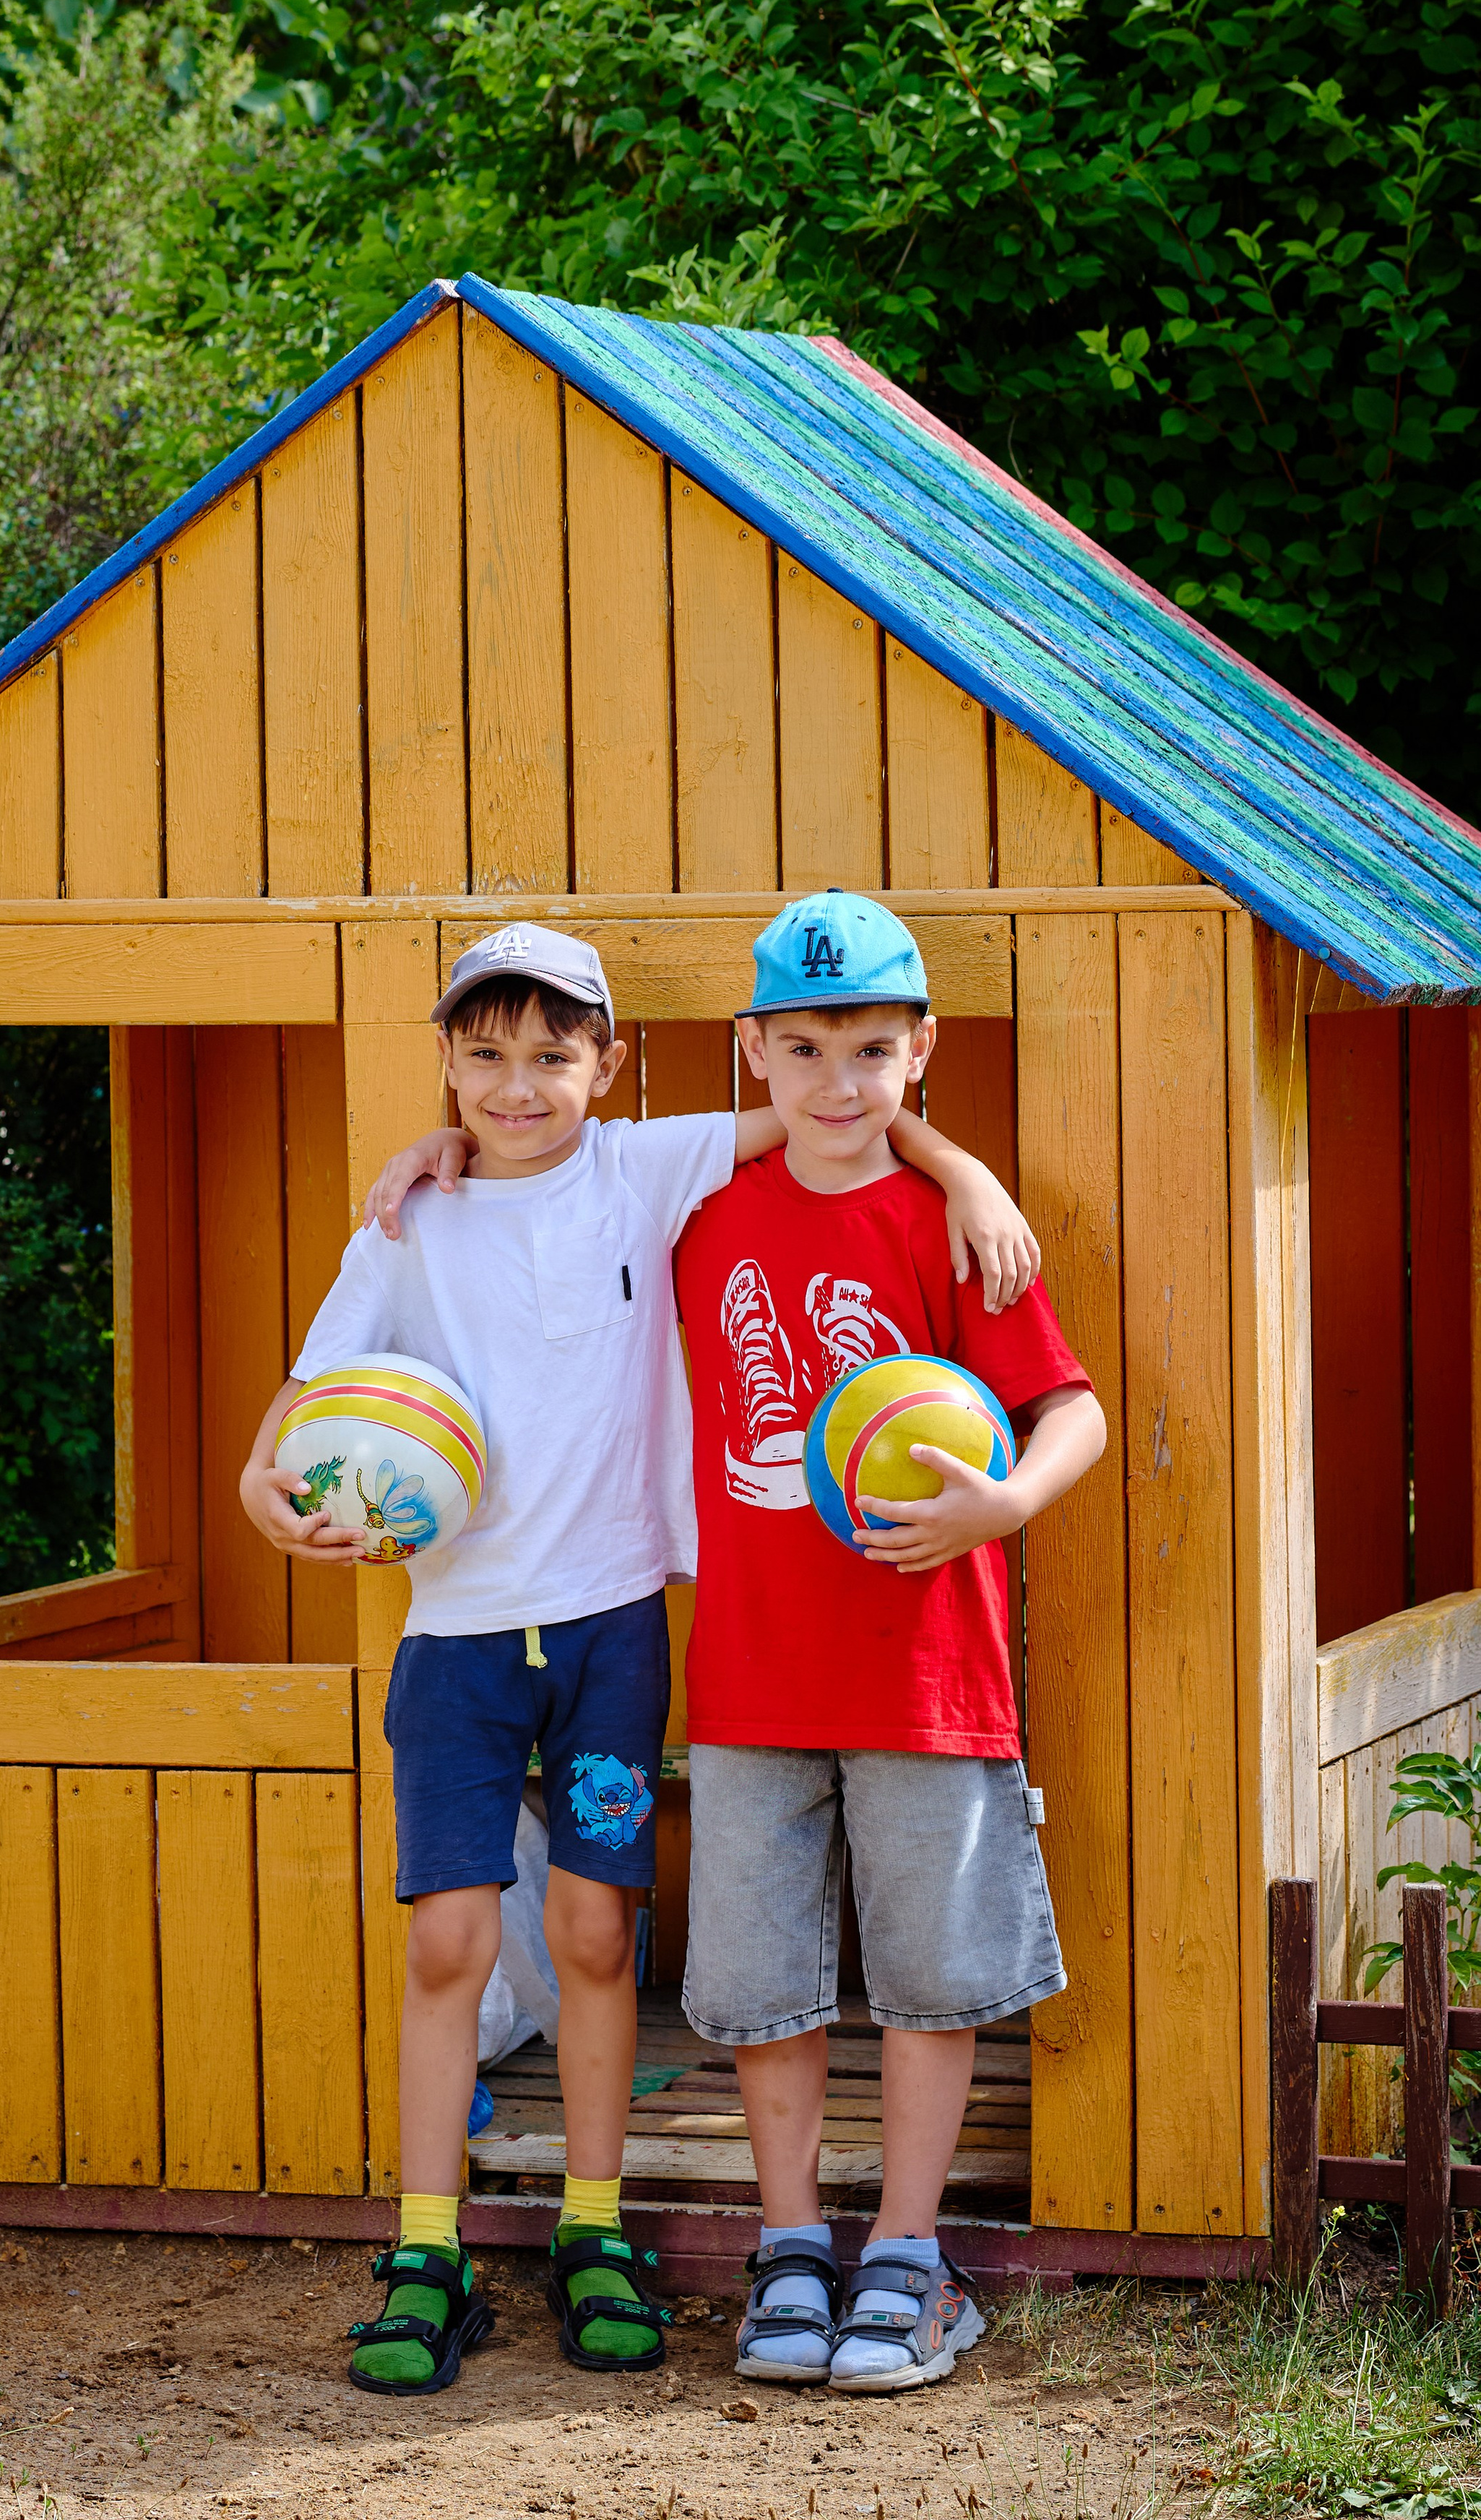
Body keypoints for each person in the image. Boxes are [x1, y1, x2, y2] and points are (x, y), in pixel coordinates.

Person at [247, 922, 1037, 2396]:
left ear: (608, 1066)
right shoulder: (401, 1227)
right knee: (447, 1941)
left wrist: (966, 1169)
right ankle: (426, 2250)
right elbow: (288, 1429)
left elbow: (840, 1103)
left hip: (613, 1624)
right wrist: (268, 1502)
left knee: (602, 1936)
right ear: (444, 1062)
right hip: (456, 1639)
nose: (518, 1084)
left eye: (552, 1055)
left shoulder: (646, 1165)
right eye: (482, 1056)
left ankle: (591, 2232)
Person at [672, 891, 1105, 2394]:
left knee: (928, 1978)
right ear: (750, 1053)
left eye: (870, 1048)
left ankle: (908, 2261)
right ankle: (791, 2249)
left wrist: (1001, 1508)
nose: (837, 1082)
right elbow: (545, 1173)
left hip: (928, 1673)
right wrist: (434, 1150)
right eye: (802, 1048)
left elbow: (1071, 1408)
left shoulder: (947, 1224)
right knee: (757, 1982)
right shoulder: (697, 1214)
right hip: (748, 1674)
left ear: (919, 1049)